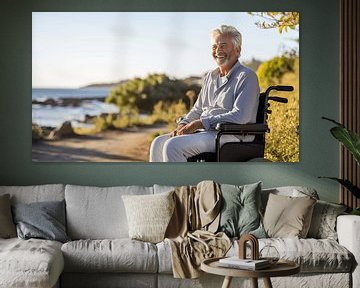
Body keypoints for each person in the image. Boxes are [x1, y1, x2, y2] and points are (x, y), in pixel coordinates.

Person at [149, 25, 260, 162]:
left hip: (231, 135)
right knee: (158, 142)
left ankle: (180, 184)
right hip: (206, 133)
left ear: (237, 50)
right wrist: (183, 124)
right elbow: (198, 109)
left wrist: (200, 123)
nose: (218, 50)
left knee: (173, 146)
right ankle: (161, 184)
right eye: (214, 46)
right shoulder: (209, 77)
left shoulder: (247, 76)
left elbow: (240, 116)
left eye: (223, 45)